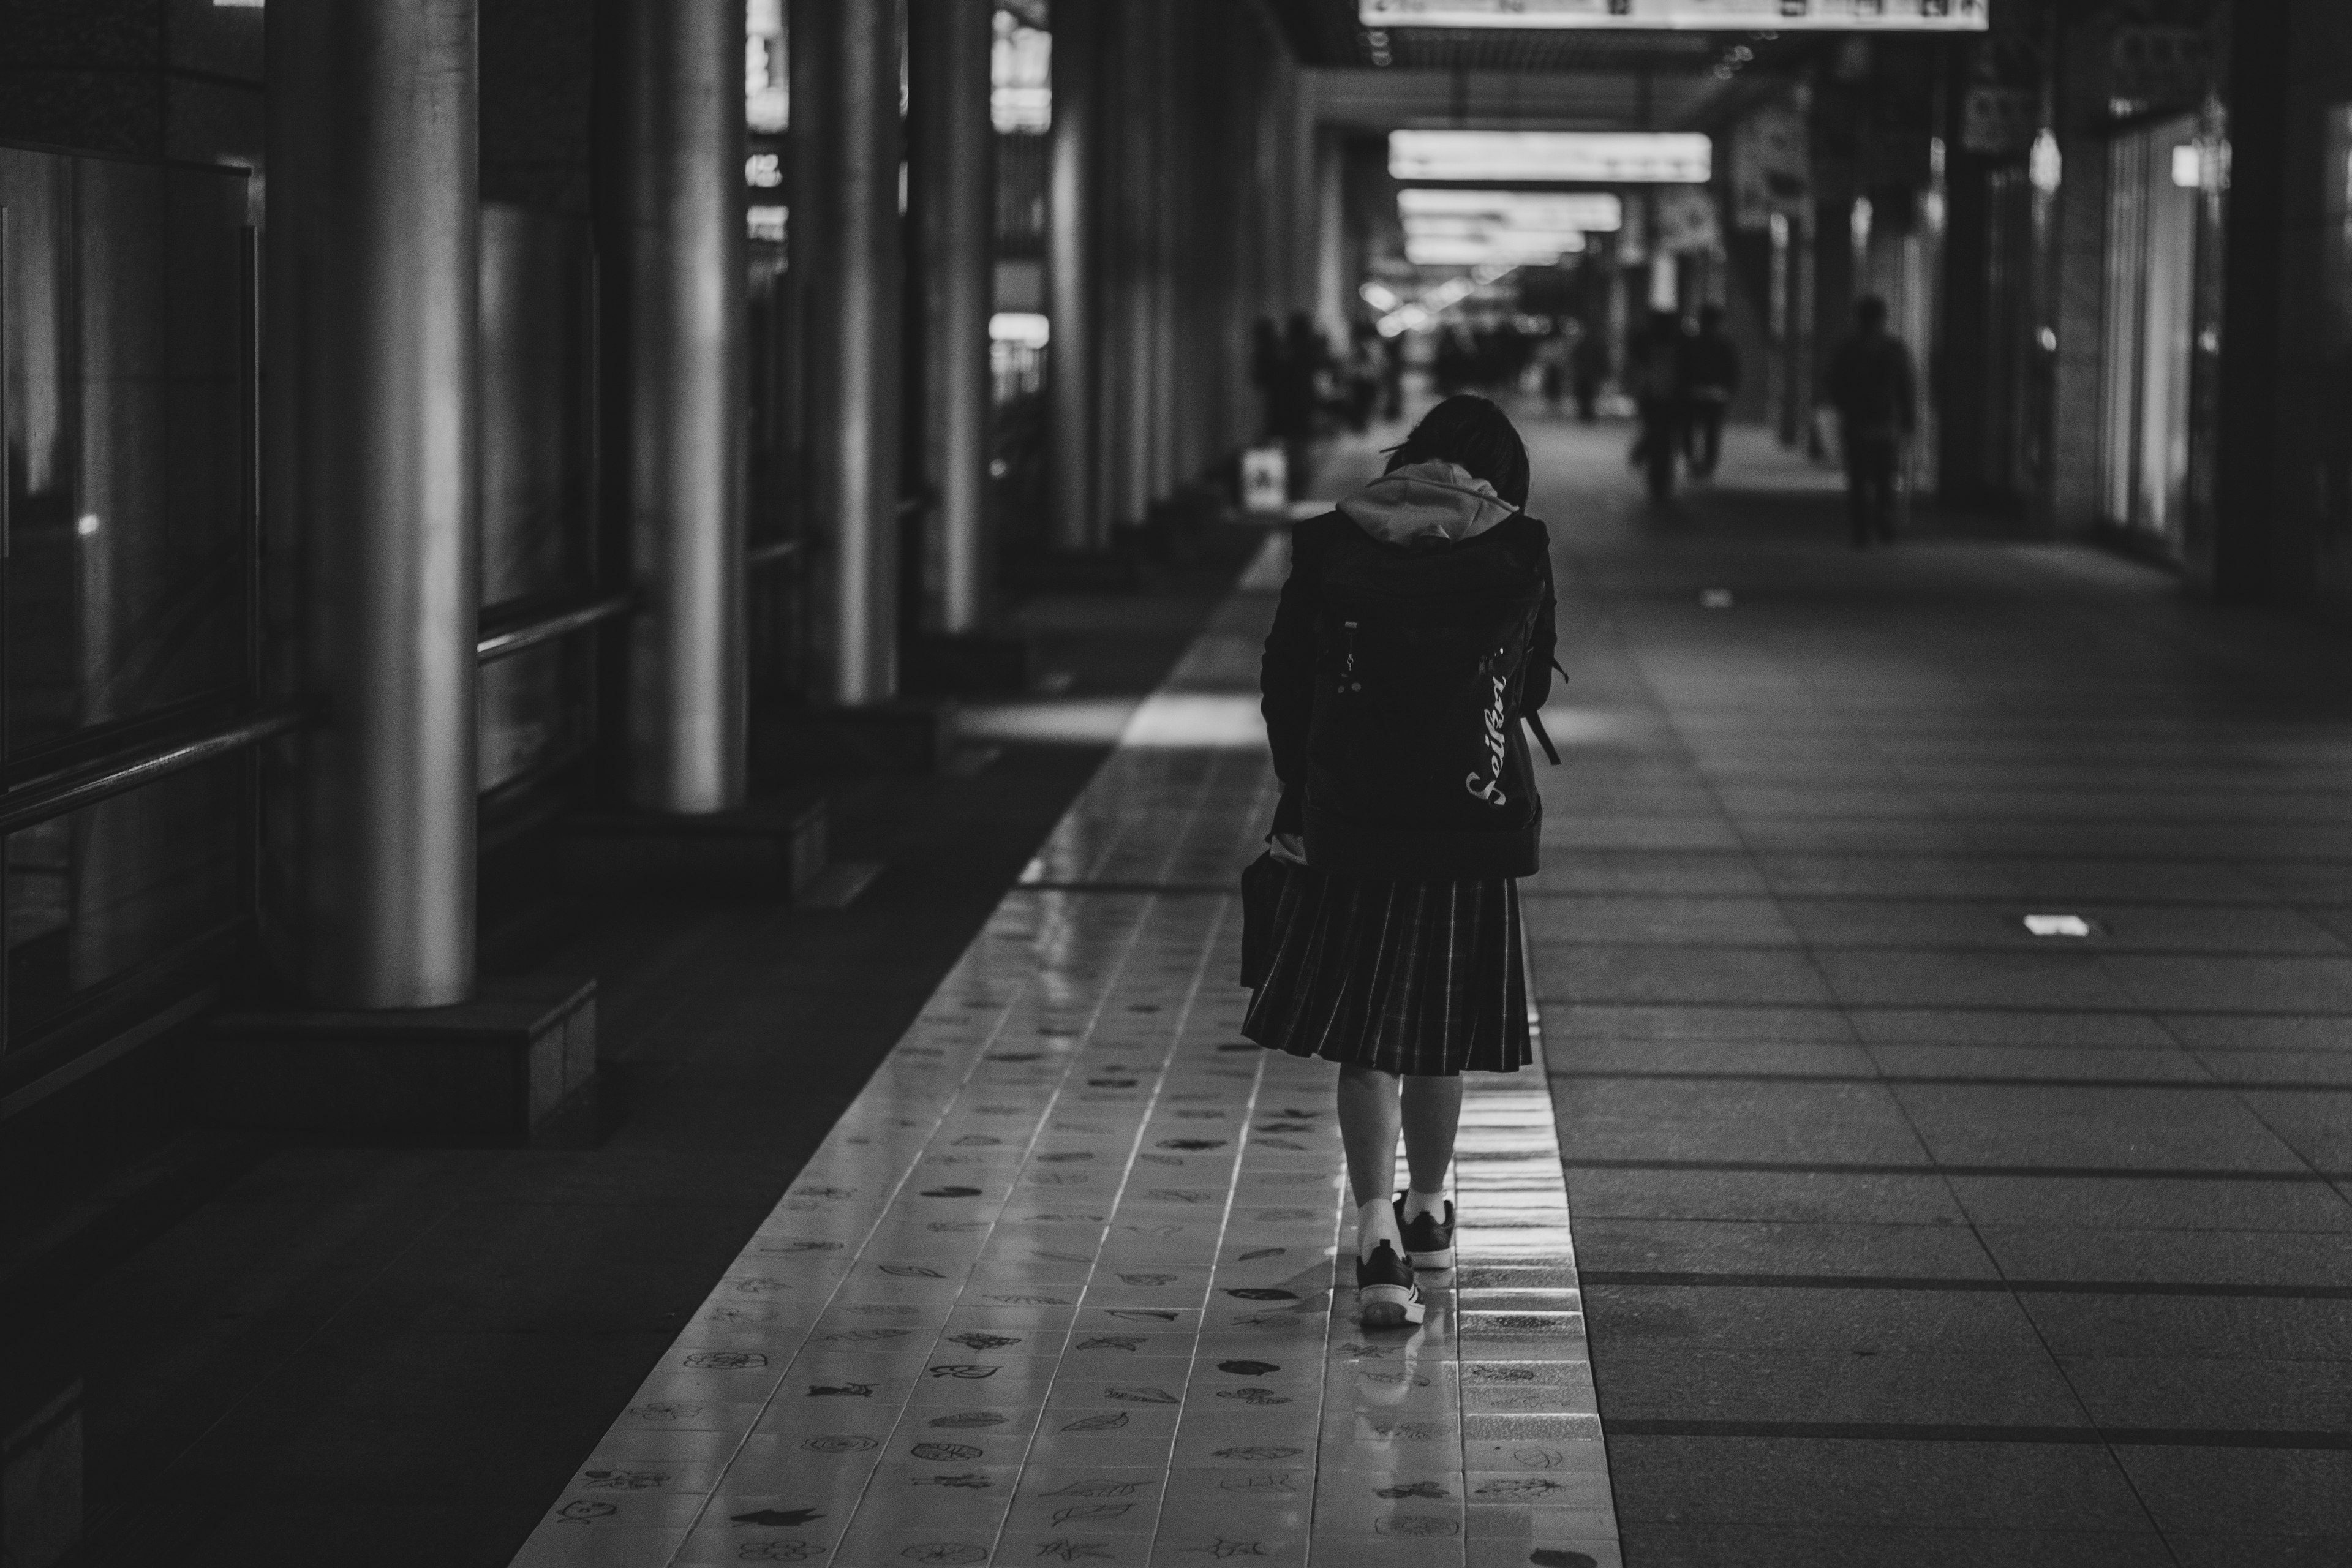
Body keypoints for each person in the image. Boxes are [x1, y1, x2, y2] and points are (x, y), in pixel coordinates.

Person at [1244, 394, 1558, 1329]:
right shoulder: (1518, 544)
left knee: (1368, 1036)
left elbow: (1284, 681)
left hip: (1356, 820)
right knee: (1442, 1026)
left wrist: (1301, 800)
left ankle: (1375, 1232)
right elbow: (1529, 682)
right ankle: (1430, 1213)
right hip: (1469, 822)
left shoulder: (1334, 540)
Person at [1826, 295, 1917, 547]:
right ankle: (1882, 522)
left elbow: (1835, 383)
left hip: (1858, 423)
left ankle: (1862, 528)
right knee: (1883, 477)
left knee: (1859, 478)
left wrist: (1845, 407)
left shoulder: (1850, 349)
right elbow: (1906, 386)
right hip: (1885, 424)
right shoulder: (1895, 349)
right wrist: (1909, 417)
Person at [1627, 309, 1686, 500]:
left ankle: (1657, 478)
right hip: (1661, 399)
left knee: (1659, 437)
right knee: (1663, 439)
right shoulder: (1674, 347)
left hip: (1658, 399)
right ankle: (1658, 480)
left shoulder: (1653, 347)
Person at [1679, 303, 1741, 480]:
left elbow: (1682, 368)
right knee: (1711, 431)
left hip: (1694, 393)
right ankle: (1707, 465)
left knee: (1690, 428)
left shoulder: (1692, 344)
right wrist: (1729, 391)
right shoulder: (1724, 345)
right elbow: (1733, 371)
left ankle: (1694, 463)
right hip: (1716, 394)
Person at [1570, 325, 1607, 424]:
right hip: (1589, 374)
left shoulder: (1582, 346)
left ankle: (1585, 413)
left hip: (1584, 374)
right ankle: (1587, 413)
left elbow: (1576, 360)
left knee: (1585, 395)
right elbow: (1600, 360)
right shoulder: (1595, 346)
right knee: (1589, 395)